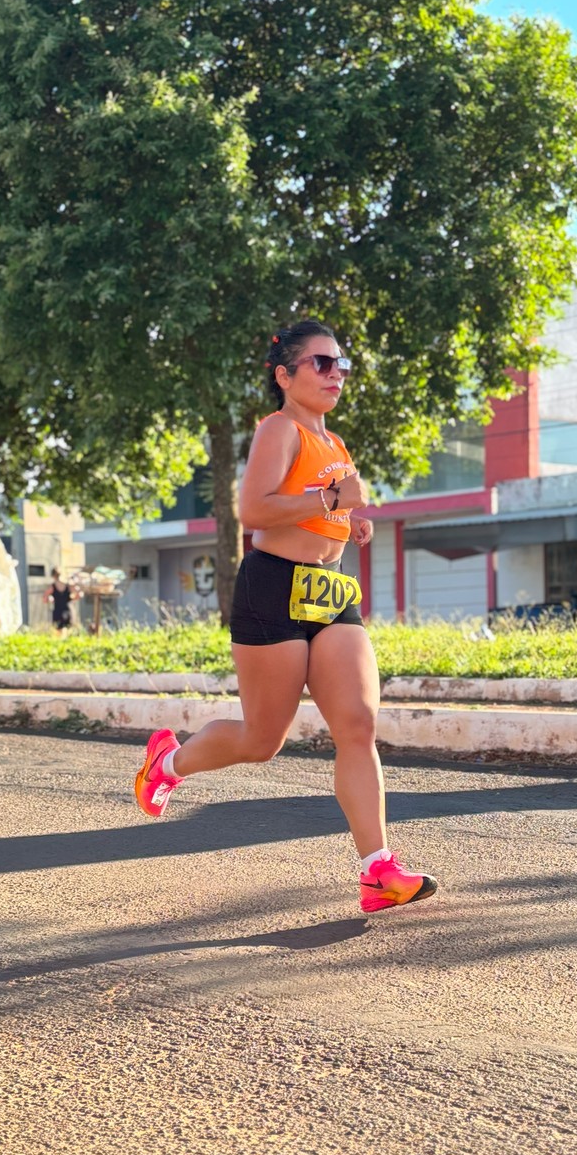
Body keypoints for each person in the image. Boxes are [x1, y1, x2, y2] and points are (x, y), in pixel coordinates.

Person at [134, 319, 438, 914]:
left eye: (341, 364)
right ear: (285, 375)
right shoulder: (280, 428)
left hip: (329, 590)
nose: (335, 374)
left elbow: (315, 513)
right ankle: (165, 762)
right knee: (260, 739)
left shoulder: (336, 443)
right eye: (320, 364)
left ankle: (377, 872)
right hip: (273, 587)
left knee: (356, 725)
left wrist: (348, 526)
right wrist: (331, 500)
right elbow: (255, 509)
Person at [46, 567, 78, 634]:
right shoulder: (68, 585)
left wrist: (50, 598)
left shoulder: (52, 586)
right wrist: (71, 598)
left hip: (57, 610)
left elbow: (44, 599)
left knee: (58, 632)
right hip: (67, 610)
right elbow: (77, 595)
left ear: (53, 576)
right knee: (68, 631)